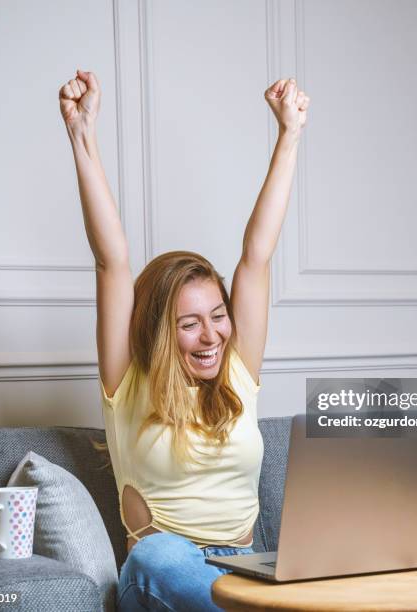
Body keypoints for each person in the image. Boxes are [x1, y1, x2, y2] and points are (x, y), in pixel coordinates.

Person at [58, 68, 310, 611]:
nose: (212, 336)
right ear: (156, 331)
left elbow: (257, 255)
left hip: (243, 570)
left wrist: (289, 136)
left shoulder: (238, 370)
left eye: (218, 316)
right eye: (189, 323)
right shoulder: (128, 383)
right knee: (161, 559)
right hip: (161, 576)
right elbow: (112, 260)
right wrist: (82, 135)